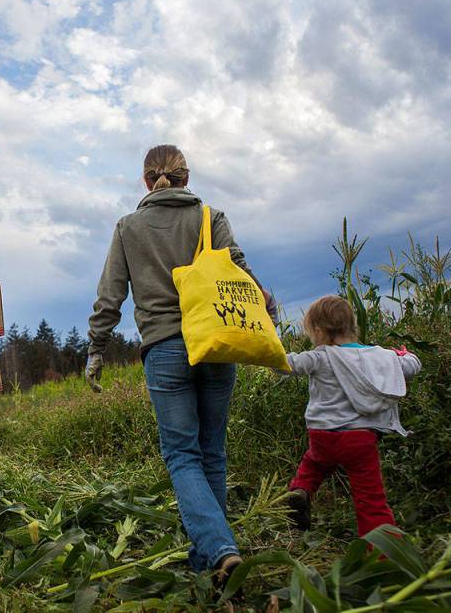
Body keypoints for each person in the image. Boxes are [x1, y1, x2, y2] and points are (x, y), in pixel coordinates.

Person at [85, 144, 277, 583]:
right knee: (212, 452)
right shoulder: (211, 217)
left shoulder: (128, 227)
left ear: (146, 180)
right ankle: (210, 558)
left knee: (182, 455)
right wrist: (268, 308)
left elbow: (109, 295)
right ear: (186, 177)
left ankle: (219, 550)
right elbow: (242, 272)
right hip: (216, 343)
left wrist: (96, 349)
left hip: (165, 348)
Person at [282, 295, 421, 536]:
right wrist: (402, 355)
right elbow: (412, 366)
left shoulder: (319, 356)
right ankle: (381, 553)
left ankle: (300, 491)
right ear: (351, 324)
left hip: (322, 436)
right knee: (371, 501)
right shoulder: (378, 356)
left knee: (315, 462)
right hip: (359, 440)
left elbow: (285, 363)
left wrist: (260, 348)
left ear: (317, 329)